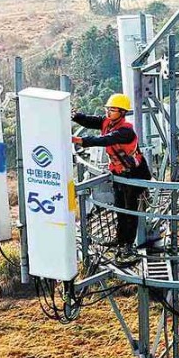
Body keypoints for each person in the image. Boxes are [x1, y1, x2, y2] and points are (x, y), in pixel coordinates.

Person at [72, 94, 151, 249]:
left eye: (112, 110)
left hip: (132, 174)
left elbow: (105, 140)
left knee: (130, 211)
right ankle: (120, 240)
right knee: (120, 208)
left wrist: (79, 140)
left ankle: (128, 244)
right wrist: (75, 116)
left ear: (122, 112)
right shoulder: (107, 123)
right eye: (107, 109)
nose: (108, 112)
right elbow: (90, 121)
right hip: (119, 172)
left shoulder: (126, 131)